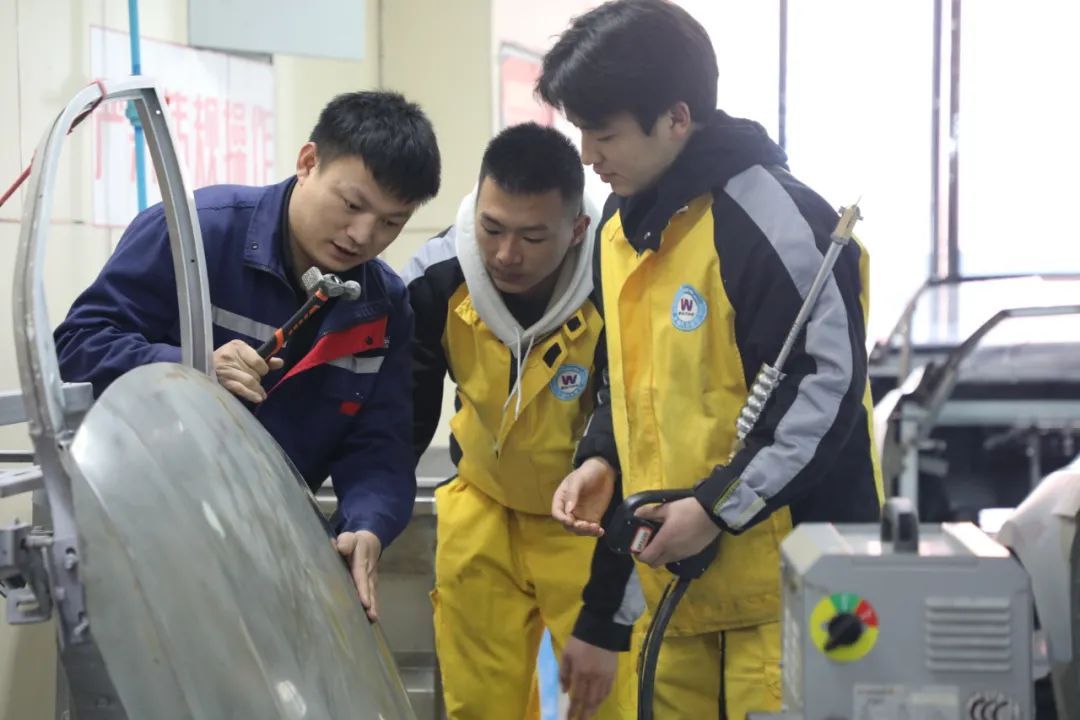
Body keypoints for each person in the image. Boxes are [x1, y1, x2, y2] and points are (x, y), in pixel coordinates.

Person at [538, 1, 883, 717]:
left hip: (791, 598)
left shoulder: (776, 221)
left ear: (677, 118)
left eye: (604, 134)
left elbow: (825, 391)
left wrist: (717, 508)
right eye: (581, 132)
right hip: (674, 592)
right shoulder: (618, 226)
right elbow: (622, 380)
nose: (588, 155)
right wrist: (600, 458)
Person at [53, 91, 441, 619]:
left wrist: (368, 525)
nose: (362, 235)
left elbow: (379, 445)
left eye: (391, 223)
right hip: (139, 534)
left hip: (265, 550)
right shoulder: (194, 233)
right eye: (352, 205)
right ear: (308, 162)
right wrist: (190, 368)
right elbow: (78, 346)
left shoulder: (382, 304)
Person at [403, 122, 637, 720]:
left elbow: (630, 411)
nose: (507, 255)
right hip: (482, 509)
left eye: (533, 237)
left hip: (586, 521)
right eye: (492, 228)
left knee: (609, 706)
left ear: (577, 229)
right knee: (478, 706)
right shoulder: (436, 276)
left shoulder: (618, 279)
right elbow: (403, 412)